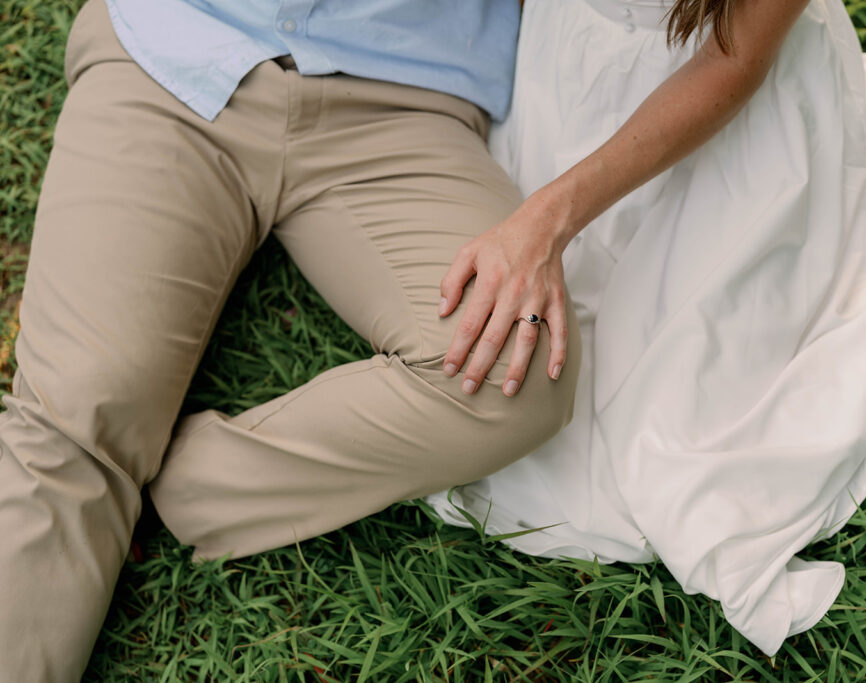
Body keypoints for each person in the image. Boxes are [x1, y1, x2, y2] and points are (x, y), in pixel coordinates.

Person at [0, 1, 582, 680]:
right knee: (73, 416)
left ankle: (164, 486)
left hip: (406, 92)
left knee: (514, 365)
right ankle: (97, 464)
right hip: (174, 49)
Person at [427, 0, 866, 655]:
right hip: (562, 68)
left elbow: (732, 60)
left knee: (668, 435)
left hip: (721, 107)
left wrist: (549, 219)